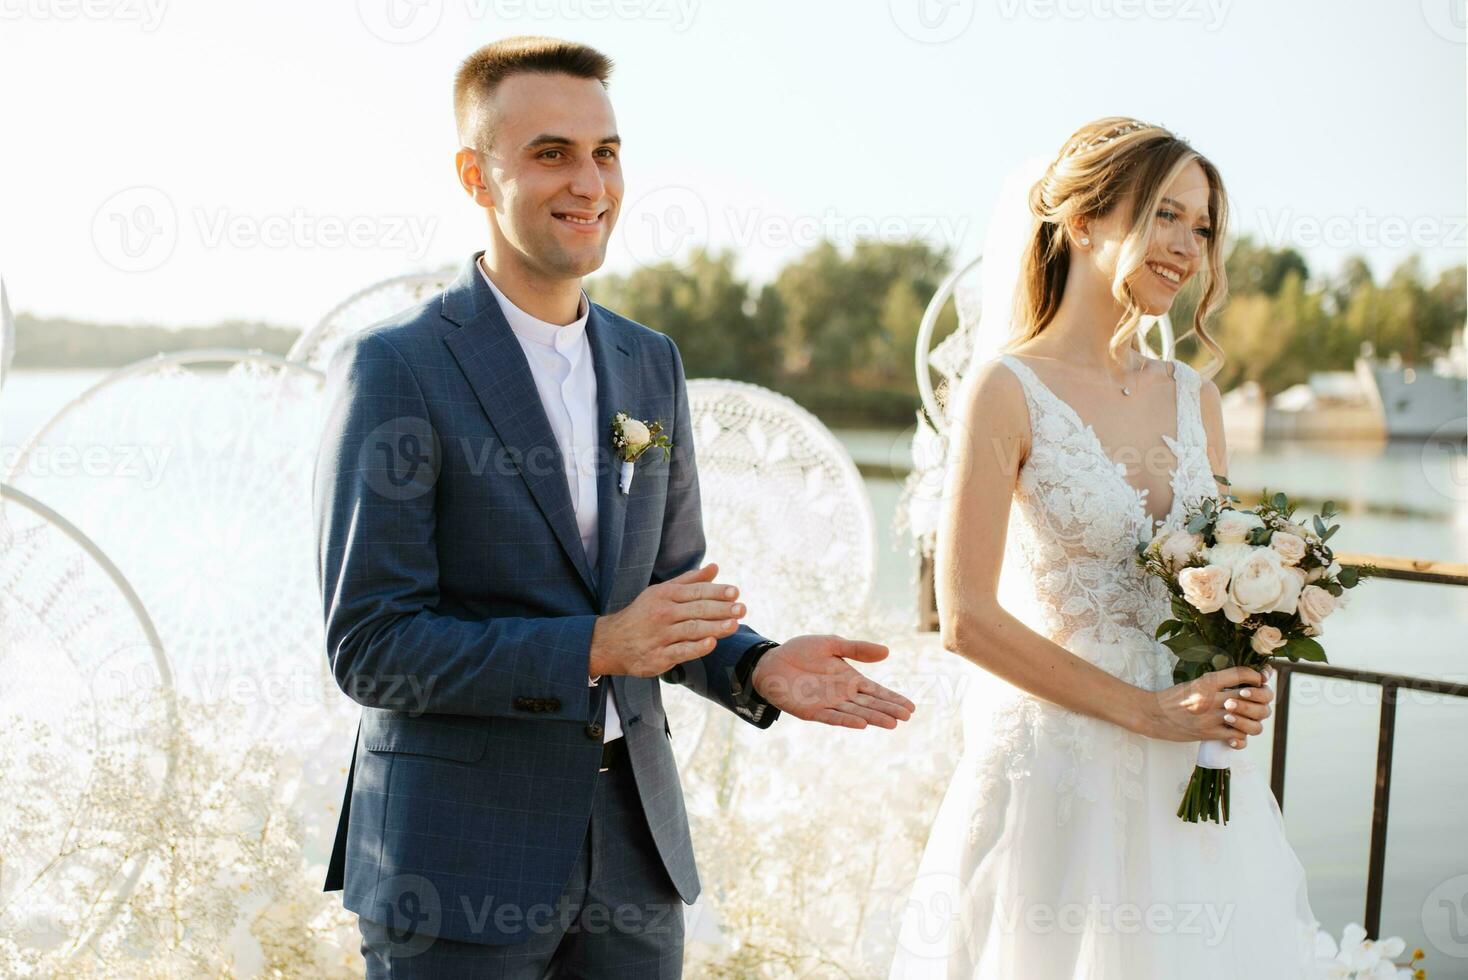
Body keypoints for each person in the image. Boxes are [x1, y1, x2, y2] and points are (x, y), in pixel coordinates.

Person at [312, 36, 915, 979]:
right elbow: (372, 646)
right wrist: (596, 645)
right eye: (551, 152)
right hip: (453, 869)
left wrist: (757, 665)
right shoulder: (398, 368)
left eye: (606, 152)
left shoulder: (649, 362)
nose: (589, 180)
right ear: (476, 173)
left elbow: (666, 600)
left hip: (635, 863)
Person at [889, 118, 1319, 978]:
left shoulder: (1196, 396)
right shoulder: (1006, 390)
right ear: (1082, 223)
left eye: (1202, 226)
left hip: (1192, 771)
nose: (1189, 247)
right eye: (1166, 215)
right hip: (1060, 767)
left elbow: (1219, 573)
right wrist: (1144, 712)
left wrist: (1245, 653)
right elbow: (966, 620)